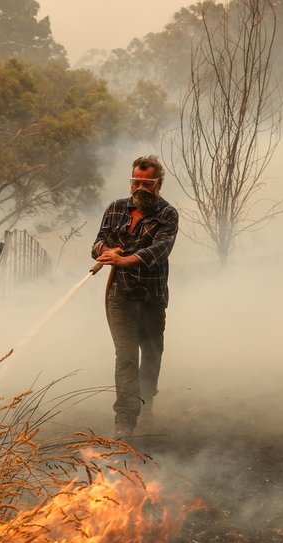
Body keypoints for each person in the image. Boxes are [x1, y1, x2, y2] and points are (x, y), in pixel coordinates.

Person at [91, 155, 179, 437]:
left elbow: (161, 249)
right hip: (120, 297)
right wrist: (106, 250)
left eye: (147, 182)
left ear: (159, 184)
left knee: (152, 353)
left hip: (152, 298)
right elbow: (98, 242)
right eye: (136, 181)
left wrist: (129, 260)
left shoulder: (167, 214)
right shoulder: (116, 209)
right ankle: (125, 420)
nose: (140, 187)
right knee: (126, 356)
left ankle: (146, 401)